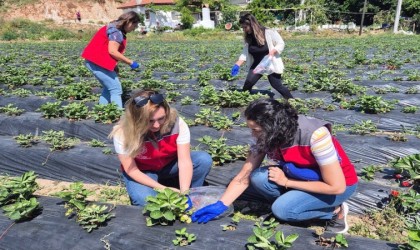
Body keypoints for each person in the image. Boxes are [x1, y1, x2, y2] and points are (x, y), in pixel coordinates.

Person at [192, 98, 358, 234]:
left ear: (273, 128)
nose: (253, 135)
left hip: (338, 185)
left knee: (283, 210)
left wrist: (287, 182)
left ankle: (335, 211)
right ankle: (295, 200)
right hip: (300, 177)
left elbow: (336, 186)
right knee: (257, 177)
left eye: (256, 130)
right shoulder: (266, 137)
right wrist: (222, 204)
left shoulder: (315, 135)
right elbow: (244, 176)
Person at [109, 90, 212, 207]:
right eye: (150, 121)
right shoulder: (123, 132)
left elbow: (184, 161)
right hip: (143, 171)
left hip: (169, 166)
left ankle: (193, 195)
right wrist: (164, 189)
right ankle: (161, 186)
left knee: (203, 160)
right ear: (137, 119)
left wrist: (184, 192)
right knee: (144, 200)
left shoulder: (177, 124)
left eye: (161, 118)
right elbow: (132, 170)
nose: (156, 125)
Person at [81, 11, 141, 108]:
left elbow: (107, 50)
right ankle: (118, 115)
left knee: (109, 87)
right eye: (135, 25)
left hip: (96, 61)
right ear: (129, 22)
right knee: (116, 89)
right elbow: (112, 51)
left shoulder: (114, 28)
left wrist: (113, 66)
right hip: (97, 62)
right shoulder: (116, 32)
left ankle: (102, 110)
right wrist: (130, 62)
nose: (135, 28)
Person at [230, 14, 293, 99]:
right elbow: (245, 53)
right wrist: (237, 65)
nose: (244, 30)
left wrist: (272, 52)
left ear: (252, 25)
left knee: (276, 85)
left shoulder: (269, 32)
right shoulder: (249, 38)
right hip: (257, 65)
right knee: (248, 84)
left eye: (245, 27)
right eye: (243, 28)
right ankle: (247, 102)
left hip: (270, 63)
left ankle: (292, 101)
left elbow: (281, 43)